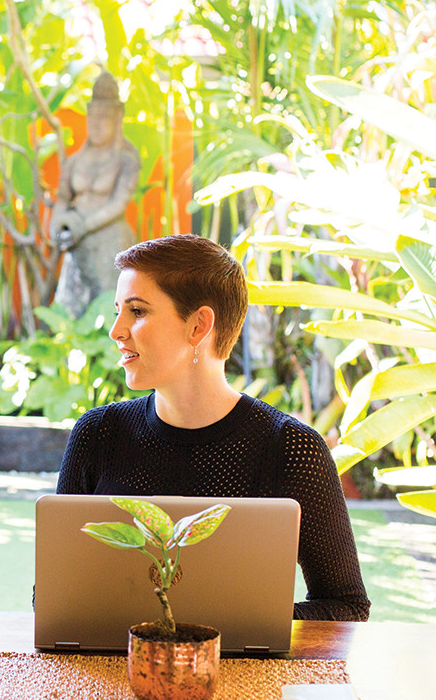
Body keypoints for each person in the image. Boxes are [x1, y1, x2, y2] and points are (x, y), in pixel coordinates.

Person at [56, 233, 370, 621]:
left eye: (136, 311)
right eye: (119, 310)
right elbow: (54, 597)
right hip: (109, 677)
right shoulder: (97, 435)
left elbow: (347, 606)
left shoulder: (290, 448)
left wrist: (245, 624)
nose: (116, 331)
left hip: (246, 679)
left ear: (199, 326)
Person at [50, 71, 141, 318]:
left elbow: (118, 204)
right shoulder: (75, 161)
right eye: (93, 117)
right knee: (68, 313)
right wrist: (58, 222)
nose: (97, 125)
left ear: (116, 118)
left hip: (110, 241)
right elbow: (62, 199)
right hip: (77, 243)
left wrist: (83, 224)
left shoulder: (126, 160)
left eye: (104, 118)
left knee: (111, 310)